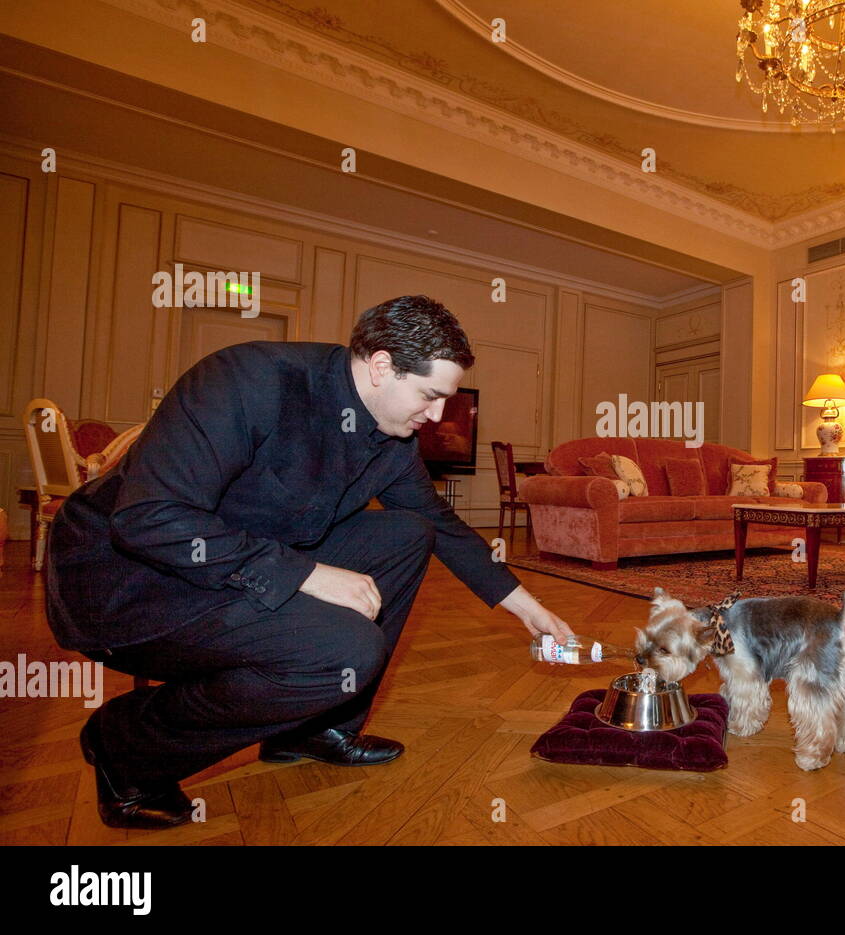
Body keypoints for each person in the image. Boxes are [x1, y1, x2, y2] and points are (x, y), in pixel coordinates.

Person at [45, 295, 574, 829]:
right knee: (344, 648)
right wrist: (308, 574)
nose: (437, 416)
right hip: (129, 583)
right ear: (382, 365)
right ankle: (127, 747)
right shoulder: (250, 380)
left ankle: (313, 728)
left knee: (406, 532)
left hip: (238, 563)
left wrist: (527, 608)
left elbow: (438, 522)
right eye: (429, 395)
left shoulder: (390, 435)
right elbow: (150, 519)